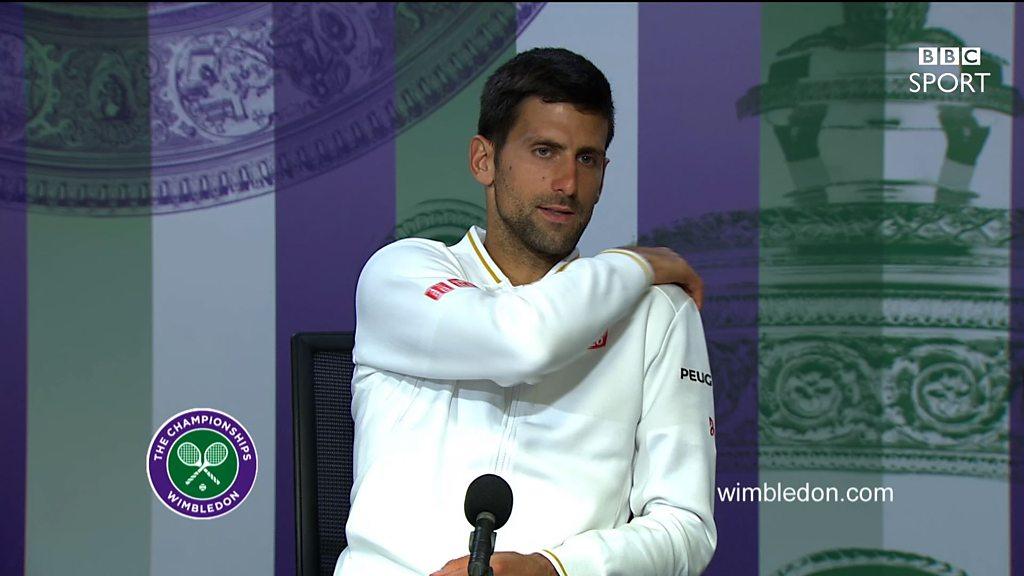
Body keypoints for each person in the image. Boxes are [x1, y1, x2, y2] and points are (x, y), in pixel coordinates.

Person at [335, 47, 716, 576]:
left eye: (587, 158)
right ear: (483, 160)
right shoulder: (399, 274)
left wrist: (557, 569)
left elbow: (685, 527)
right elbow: (522, 342)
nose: (567, 183)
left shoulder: (657, 312)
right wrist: (637, 263)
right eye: (544, 151)